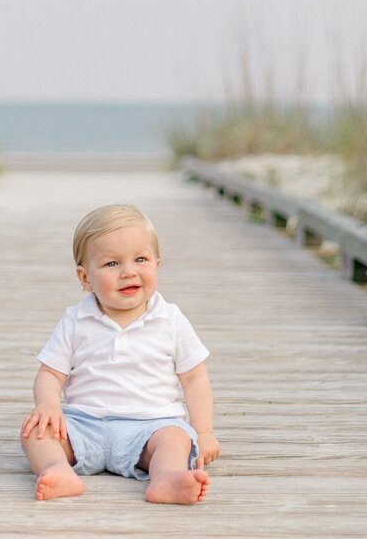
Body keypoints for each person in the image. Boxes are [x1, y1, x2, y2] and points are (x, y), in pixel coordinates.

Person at [20, 203, 220, 503]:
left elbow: (194, 379)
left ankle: (166, 479)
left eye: (140, 259)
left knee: (174, 439)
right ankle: (58, 469)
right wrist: (48, 404)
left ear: (157, 265)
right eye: (111, 264)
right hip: (84, 424)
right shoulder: (75, 320)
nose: (128, 272)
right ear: (85, 278)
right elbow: (50, 372)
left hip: (149, 426)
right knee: (35, 432)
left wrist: (203, 432)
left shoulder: (170, 319)